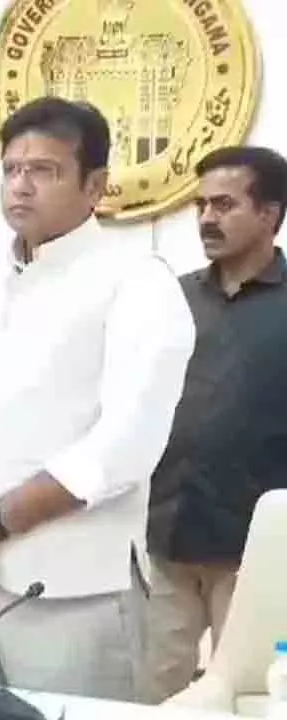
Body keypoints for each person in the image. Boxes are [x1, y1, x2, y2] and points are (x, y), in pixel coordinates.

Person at [0, 97, 195, 701]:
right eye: (11, 170)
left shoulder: (137, 282)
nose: (20, 186)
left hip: (70, 588)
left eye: (44, 171)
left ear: (95, 186)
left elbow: (123, 446)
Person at [142, 146, 287, 703]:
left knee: (246, 700)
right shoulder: (170, 300)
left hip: (253, 554)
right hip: (164, 542)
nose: (206, 218)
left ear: (269, 214)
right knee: (147, 697)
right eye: (200, 205)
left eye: (224, 205)